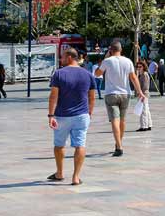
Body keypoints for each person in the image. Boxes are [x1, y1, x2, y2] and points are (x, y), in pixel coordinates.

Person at [46, 47, 96, 186]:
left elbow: (53, 96)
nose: (60, 59)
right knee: (80, 145)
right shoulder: (88, 74)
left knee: (59, 145)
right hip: (82, 115)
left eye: (62, 56)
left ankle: (60, 173)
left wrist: (51, 115)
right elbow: (92, 97)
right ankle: (76, 177)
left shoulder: (59, 74)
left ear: (69, 57)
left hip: (62, 115)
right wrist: (89, 113)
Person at [93, 42, 145, 157]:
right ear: (121, 50)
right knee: (122, 120)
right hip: (125, 94)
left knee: (114, 121)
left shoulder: (107, 61)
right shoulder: (128, 61)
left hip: (111, 94)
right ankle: (118, 144)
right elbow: (133, 77)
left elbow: (97, 74)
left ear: (110, 50)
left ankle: (119, 147)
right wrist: (140, 92)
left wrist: (105, 57)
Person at [134, 59, 153, 132]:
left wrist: (141, 94)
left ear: (144, 67)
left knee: (143, 110)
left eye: (140, 67)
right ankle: (149, 125)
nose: (139, 68)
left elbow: (145, 86)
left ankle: (144, 126)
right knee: (146, 110)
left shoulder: (144, 74)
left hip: (144, 93)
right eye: (137, 67)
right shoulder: (141, 74)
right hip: (144, 93)